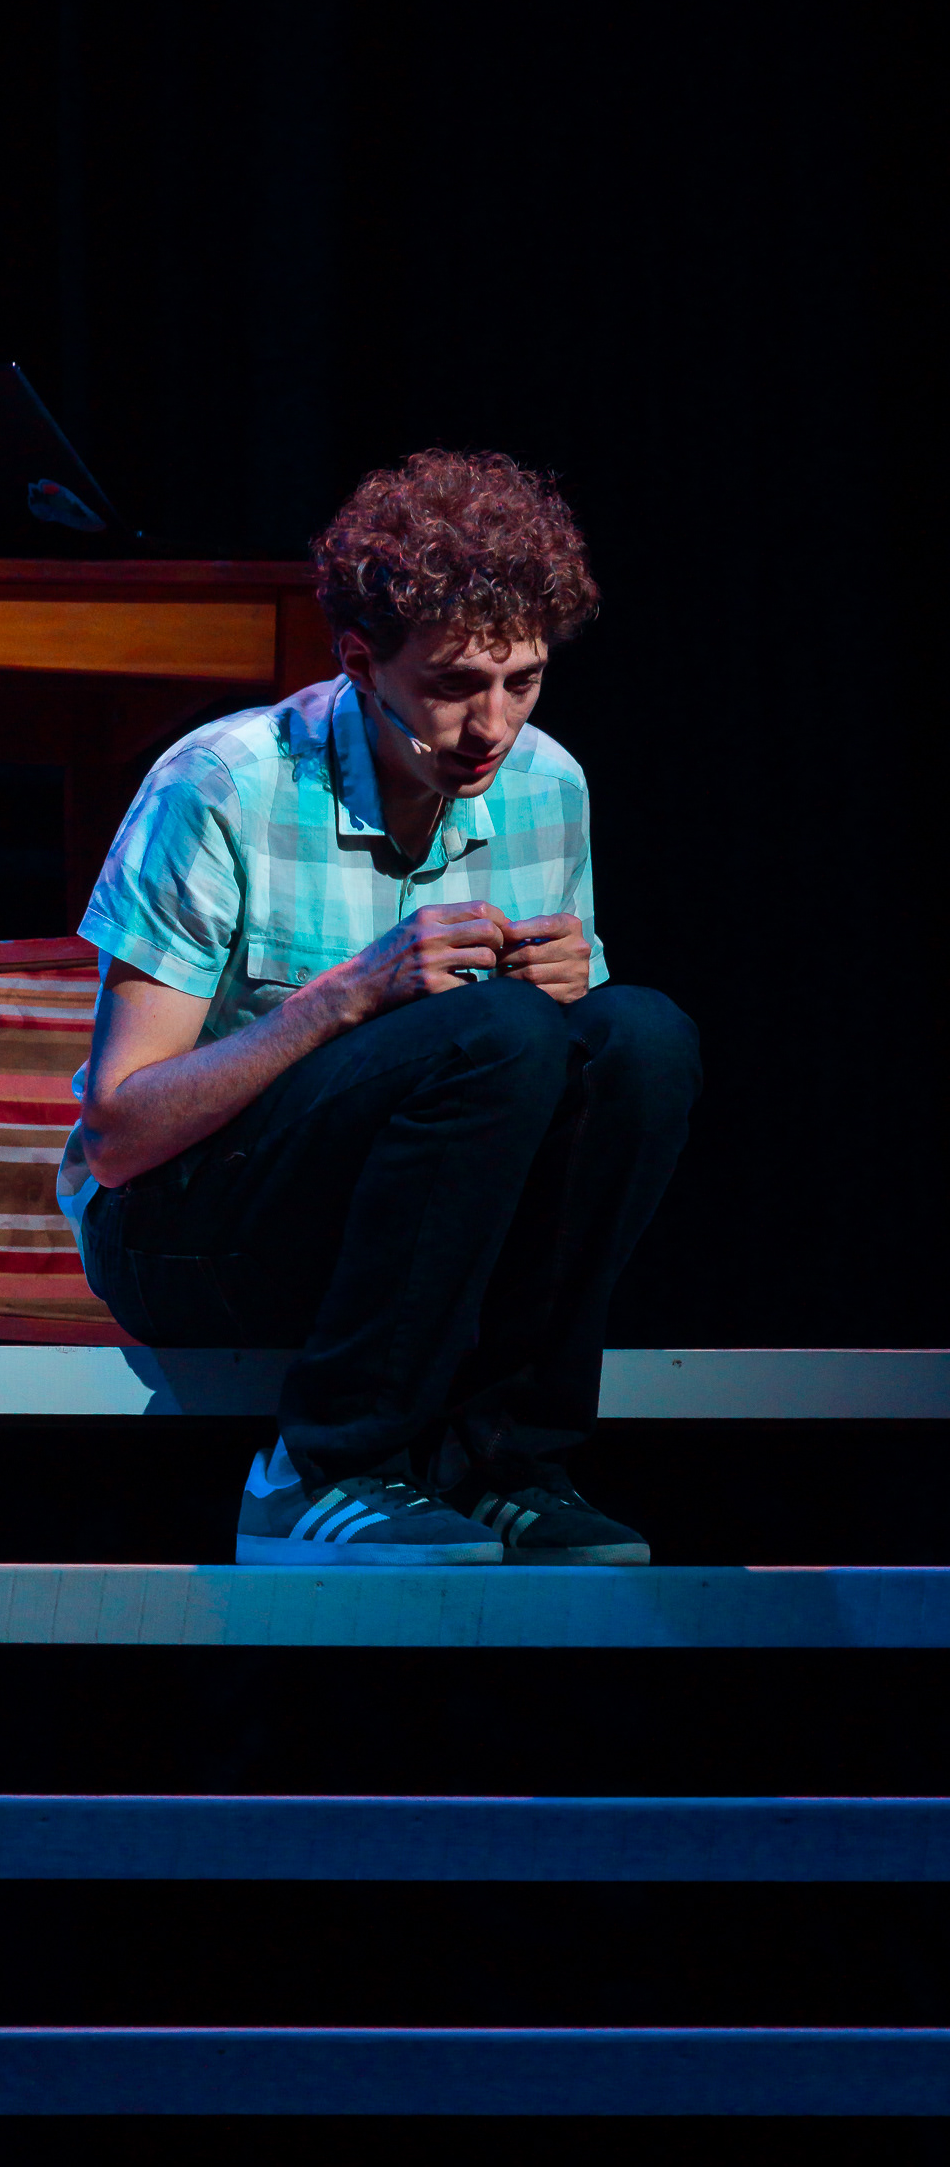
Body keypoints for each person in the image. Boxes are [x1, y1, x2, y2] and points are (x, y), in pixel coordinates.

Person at [58, 450, 700, 1567]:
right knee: (493, 1034)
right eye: (453, 686)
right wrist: (349, 997)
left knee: (639, 1038)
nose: (492, 726)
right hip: (189, 1238)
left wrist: (567, 997)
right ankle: (320, 1467)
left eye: (523, 682)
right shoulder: (224, 783)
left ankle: (505, 1465)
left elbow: (552, 1111)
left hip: (426, 1246)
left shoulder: (548, 785)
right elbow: (119, 1137)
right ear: (360, 660)